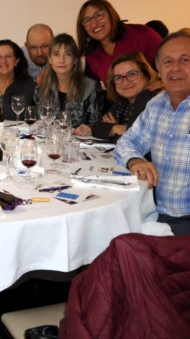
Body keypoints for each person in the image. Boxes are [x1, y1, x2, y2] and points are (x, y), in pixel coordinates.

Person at [115, 29, 190, 235]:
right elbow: (127, 141)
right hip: (155, 213)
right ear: (158, 67)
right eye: (168, 62)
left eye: (185, 60)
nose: (175, 68)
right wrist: (135, 161)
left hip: (185, 223)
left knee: (124, 245)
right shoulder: (156, 105)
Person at [77, 0, 162, 85]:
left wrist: (163, 84)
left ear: (110, 14)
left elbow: (168, 62)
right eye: (87, 20)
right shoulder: (92, 56)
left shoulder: (142, 34)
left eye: (98, 15)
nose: (94, 24)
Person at [37, 33, 101, 136]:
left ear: (75, 59)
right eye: (56, 54)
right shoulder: (44, 85)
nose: (61, 60)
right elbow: (41, 120)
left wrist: (89, 128)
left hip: (80, 142)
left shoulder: (90, 87)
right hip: (51, 140)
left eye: (67, 54)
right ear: (50, 59)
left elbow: (97, 124)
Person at [91, 52, 162, 143]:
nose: (125, 82)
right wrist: (116, 128)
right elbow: (96, 128)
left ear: (146, 75)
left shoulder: (151, 97)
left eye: (132, 74)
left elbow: (134, 138)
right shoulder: (122, 103)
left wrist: (112, 131)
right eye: (118, 77)